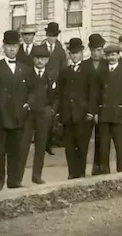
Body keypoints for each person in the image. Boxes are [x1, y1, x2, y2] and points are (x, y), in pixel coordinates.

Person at [0, 30, 33, 191]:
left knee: (16, 150)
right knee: (0, 150)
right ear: (4, 47)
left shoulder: (26, 69)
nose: (12, 49)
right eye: (9, 46)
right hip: (1, 116)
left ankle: (13, 180)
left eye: (15, 46)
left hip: (18, 115)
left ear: (18, 47)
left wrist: (28, 104)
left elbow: (33, 90)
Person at [57, 38, 98, 180]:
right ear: (69, 54)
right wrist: (60, 113)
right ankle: (71, 172)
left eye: (77, 53)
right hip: (68, 115)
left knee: (82, 146)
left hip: (83, 115)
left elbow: (93, 93)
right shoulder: (64, 72)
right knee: (69, 147)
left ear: (82, 53)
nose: (74, 56)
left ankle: (80, 172)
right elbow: (60, 93)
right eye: (72, 53)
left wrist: (91, 112)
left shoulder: (88, 70)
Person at [19, 45, 58, 184]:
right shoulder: (27, 74)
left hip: (44, 114)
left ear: (47, 60)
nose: (40, 61)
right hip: (29, 115)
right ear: (33, 59)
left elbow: (56, 95)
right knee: (24, 145)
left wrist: (52, 110)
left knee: (41, 146)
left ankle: (37, 175)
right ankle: (18, 178)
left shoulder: (52, 75)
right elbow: (22, 93)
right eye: (37, 58)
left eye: (43, 58)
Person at [98, 44, 122, 174]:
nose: (111, 58)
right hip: (104, 115)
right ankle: (104, 174)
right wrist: (96, 112)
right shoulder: (101, 72)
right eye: (109, 55)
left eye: (114, 55)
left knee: (121, 147)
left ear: (119, 55)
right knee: (103, 147)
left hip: (119, 115)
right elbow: (96, 94)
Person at [83, 33, 107, 176]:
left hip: (102, 107)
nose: (96, 53)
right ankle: (81, 169)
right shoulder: (85, 65)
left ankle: (99, 167)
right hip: (87, 107)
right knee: (84, 140)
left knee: (101, 139)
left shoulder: (106, 64)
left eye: (99, 50)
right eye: (93, 50)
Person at [43, 22, 67, 155]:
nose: (51, 38)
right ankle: (43, 143)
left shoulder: (60, 50)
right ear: (46, 35)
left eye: (54, 36)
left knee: (53, 115)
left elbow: (63, 68)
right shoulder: (40, 48)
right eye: (49, 35)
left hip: (56, 87)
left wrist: (59, 83)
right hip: (43, 85)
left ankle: (49, 143)